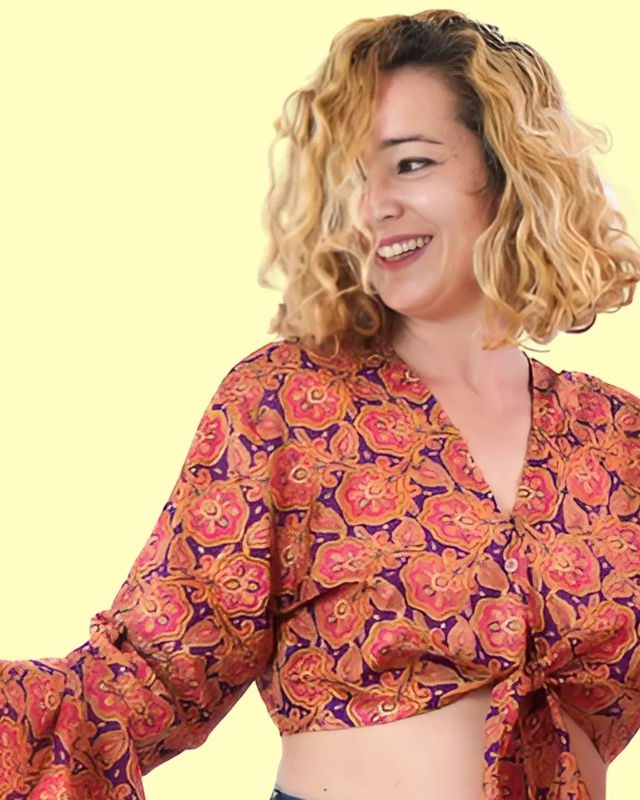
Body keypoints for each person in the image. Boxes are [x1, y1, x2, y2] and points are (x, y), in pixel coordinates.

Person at [2, 9, 640, 800]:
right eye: (352, 179)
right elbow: (144, 678)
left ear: (508, 171)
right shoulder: (285, 403)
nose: (373, 206)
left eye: (410, 164)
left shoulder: (615, 435)